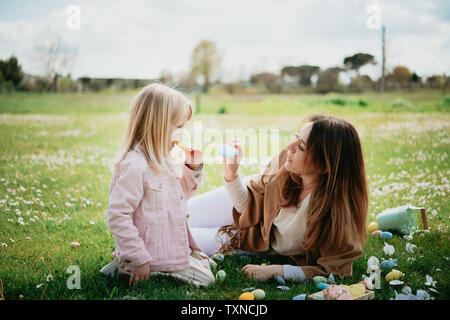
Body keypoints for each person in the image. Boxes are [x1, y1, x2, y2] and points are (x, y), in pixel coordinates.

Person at [188, 114, 368, 282]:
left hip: (250, 238)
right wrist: (231, 175)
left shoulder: (337, 216)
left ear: (324, 166)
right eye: (296, 137)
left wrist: (277, 270)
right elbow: (250, 207)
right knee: (179, 213)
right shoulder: (286, 165)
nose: (289, 147)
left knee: (179, 238)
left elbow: (333, 269)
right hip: (239, 198)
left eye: (301, 146)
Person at [101, 83, 216, 288]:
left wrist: (193, 167)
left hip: (166, 245)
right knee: (207, 280)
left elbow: (179, 199)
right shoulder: (135, 166)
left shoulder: (163, 160)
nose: (182, 134)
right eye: (179, 127)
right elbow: (118, 215)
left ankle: (126, 261)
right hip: (149, 253)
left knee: (208, 265)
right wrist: (138, 257)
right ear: (159, 126)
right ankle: (130, 264)